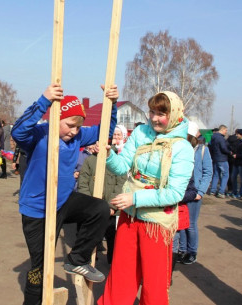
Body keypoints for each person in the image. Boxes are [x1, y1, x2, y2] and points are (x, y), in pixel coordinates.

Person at [12, 83, 118, 304]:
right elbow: (18, 131)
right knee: (39, 269)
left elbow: (105, 131)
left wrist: (112, 104)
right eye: (70, 125)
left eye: (78, 127)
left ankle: (77, 259)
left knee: (100, 209)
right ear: (55, 119)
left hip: (64, 202)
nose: (74, 132)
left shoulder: (78, 137)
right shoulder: (39, 135)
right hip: (37, 210)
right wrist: (44, 100)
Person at [98, 91, 194, 305]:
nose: (154, 118)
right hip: (129, 217)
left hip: (156, 223)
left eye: (162, 113)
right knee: (121, 275)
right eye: (152, 111)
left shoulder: (182, 147)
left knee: (154, 282)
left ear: (176, 114)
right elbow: (123, 166)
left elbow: (175, 193)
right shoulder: (141, 132)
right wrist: (108, 155)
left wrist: (135, 198)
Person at [77, 143, 126, 264]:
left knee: (113, 238)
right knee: (90, 236)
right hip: (93, 208)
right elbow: (83, 184)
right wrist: (90, 205)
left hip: (111, 210)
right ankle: (87, 261)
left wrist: (112, 206)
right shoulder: (90, 161)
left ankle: (113, 263)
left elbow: (121, 185)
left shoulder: (117, 161)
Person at [177, 121, 213, 265]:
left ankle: (192, 252)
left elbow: (208, 172)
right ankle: (182, 250)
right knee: (182, 223)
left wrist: (201, 191)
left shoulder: (203, 150)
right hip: (182, 192)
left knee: (191, 224)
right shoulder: (182, 148)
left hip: (195, 193)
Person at [208, 124, 231, 198]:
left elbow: (210, 147)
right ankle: (221, 192)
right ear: (222, 129)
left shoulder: (213, 137)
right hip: (222, 159)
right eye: (226, 130)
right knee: (225, 175)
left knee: (216, 174)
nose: (226, 132)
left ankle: (213, 190)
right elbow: (223, 148)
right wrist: (229, 152)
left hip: (215, 158)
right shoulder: (221, 138)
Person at [230, 129, 242, 199]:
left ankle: (240, 193)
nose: (236, 135)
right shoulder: (238, 141)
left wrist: (237, 155)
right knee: (233, 177)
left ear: (241, 134)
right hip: (236, 163)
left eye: (237, 134)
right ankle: (234, 191)